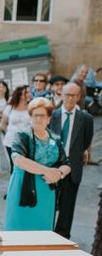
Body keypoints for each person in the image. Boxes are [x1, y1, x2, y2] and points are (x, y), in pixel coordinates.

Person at [4, 97, 70, 230]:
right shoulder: (22, 136)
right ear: (30, 117)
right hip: (23, 186)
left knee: (43, 229)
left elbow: (66, 163)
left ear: (49, 119)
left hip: (46, 190)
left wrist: (59, 173)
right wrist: (48, 171)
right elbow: (19, 160)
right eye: (35, 115)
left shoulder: (55, 139)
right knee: (19, 228)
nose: (38, 119)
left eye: (42, 115)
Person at [49, 83, 94, 239]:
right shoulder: (52, 115)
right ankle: (46, 231)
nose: (70, 98)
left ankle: (62, 235)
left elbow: (86, 141)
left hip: (73, 166)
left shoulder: (86, 119)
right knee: (50, 202)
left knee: (68, 204)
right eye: (67, 94)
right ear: (61, 95)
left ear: (79, 97)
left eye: (74, 95)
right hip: (52, 167)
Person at [1, 85, 31, 171]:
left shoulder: (31, 107)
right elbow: (3, 124)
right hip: (11, 142)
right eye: (27, 92)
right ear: (21, 95)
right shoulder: (10, 108)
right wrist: (11, 134)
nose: (30, 94)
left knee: (27, 166)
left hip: (27, 142)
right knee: (14, 166)